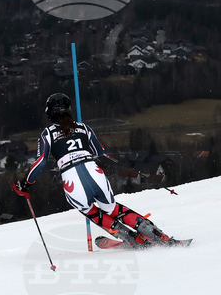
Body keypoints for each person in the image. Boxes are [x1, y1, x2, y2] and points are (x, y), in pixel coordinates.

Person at [13, 93, 178, 247]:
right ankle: (159, 236)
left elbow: (41, 162)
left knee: (91, 211)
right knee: (113, 209)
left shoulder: (47, 134)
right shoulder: (83, 128)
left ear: (49, 112)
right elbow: (100, 151)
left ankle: (131, 239)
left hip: (72, 180)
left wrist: (26, 184)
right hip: (94, 171)